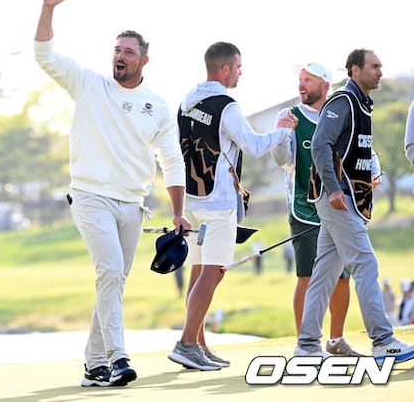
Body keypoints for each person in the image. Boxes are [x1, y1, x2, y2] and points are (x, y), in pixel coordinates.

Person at [34, 0, 190, 387]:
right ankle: (118, 357)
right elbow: (45, 56)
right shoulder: (89, 84)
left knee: (114, 280)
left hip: (133, 203)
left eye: (128, 52)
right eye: (117, 50)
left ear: (143, 60)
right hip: (90, 197)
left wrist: (178, 211)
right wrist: (48, 8)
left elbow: (172, 160)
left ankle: (93, 364)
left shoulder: (158, 105)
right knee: (109, 271)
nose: (120, 56)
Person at [168, 41, 297, 371]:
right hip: (218, 203)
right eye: (238, 67)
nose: (240, 73)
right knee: (213, 273)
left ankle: (198, 344)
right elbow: (254, 146)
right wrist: (282, 132)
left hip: (192, 199)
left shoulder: (187, 100)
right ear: (225, 69)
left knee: (199, 271)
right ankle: (186, 343)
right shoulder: (227, 106)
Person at [295, 49, 414, 363]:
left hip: (343, 198)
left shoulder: (360, 104)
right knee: (365, 263)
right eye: (374, 66)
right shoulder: (344, 101)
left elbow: (350, 152)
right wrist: (335, 189)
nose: (380, 72)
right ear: (355, 70)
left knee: (325, 272)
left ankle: (307, 345)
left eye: (381, 66)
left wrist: (367, 174)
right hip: (337, 199)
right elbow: (320, 143)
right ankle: (383, 341)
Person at [272, 62, 366, 356]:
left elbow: (359, 150)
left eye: (308, 80)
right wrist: (281, 133)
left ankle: (336, 340)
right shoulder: (290, 116)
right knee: (307, 277)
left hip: (339, 206)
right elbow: (281, 160)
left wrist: (371, 173)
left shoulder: (341, 112)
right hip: (305, 207)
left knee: (342, 277)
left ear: (325, 85)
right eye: (300, 80)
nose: (302, 85)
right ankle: (306, 343)